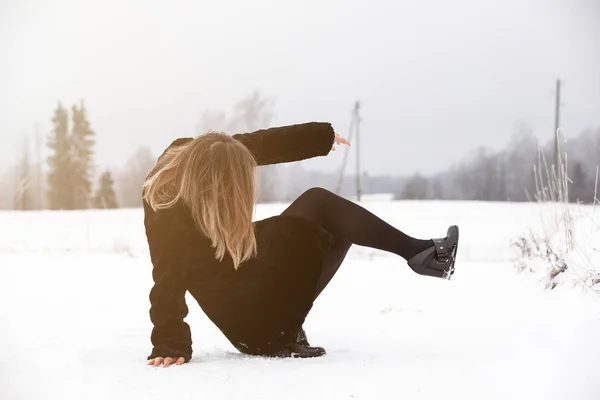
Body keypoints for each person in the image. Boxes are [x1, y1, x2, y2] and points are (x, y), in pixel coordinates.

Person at [142, 122, 459, 368]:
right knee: (321, 213)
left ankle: (421, 253)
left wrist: (320, 136)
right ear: (207, 179)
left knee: (328, 214)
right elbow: (166, 277)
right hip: (248, 321)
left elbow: (261, 142)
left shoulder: (201, 151)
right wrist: (170, 343)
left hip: (243, 273)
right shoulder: (166, 206)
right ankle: (281, 332)